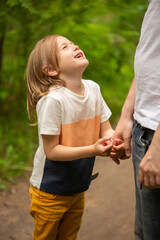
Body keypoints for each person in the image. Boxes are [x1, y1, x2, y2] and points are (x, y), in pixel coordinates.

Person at [26, 34, 124, 240]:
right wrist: (92, 150)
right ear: (51, 70)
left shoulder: (93, 89)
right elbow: (52, 151)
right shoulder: (53, 100)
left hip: (77, 185)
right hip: (50, 190)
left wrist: (114, 141)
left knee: (69, 236)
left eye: (72, 43)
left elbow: (105, 129)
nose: (74, 46)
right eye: (65, 47)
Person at [112, 0, 160, 239]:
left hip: (156, 134)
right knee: (143, 233)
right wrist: (128, 113)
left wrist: (159, 146)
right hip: (145, 127)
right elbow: (151, 54)